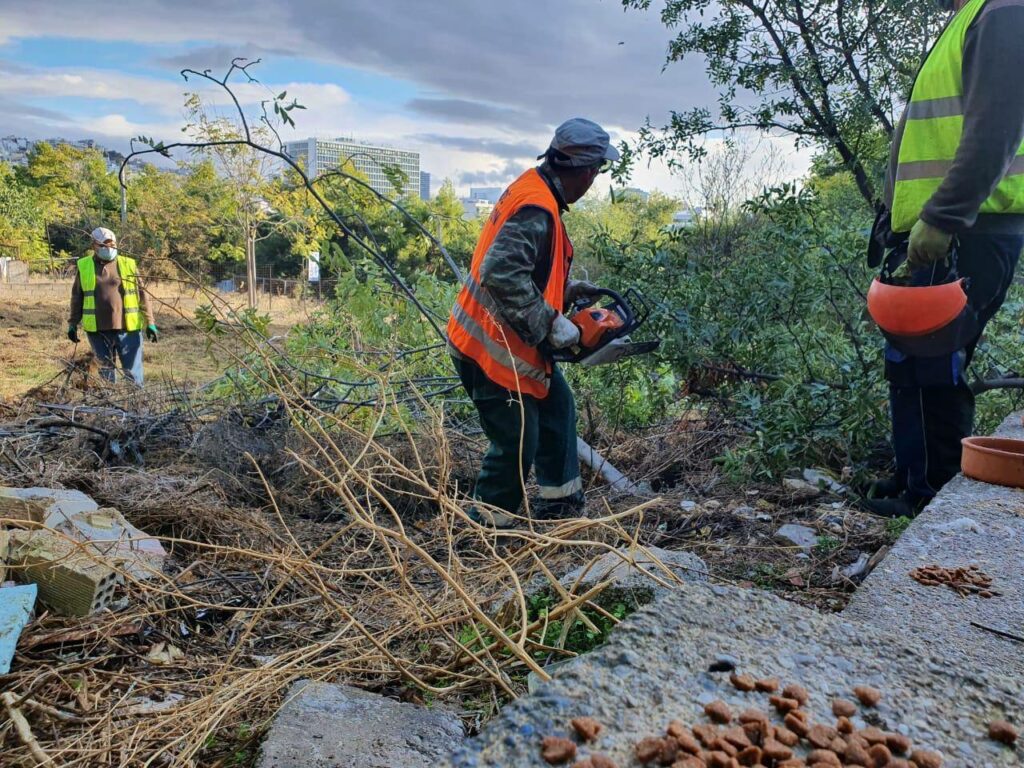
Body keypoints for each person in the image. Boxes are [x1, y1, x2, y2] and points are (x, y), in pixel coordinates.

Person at [864, 0, 1024, 517]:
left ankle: (930, 494)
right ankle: (912, 474)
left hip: (966, 231)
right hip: (937, 231)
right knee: (910, 361)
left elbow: (996, 125)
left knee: (937, 365)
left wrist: (944, 216)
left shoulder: (1003, 11)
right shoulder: (973, 15)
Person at [447, 118, 619, 527]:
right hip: (490, 348)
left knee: (558, 408)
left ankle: (561, 508)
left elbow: (525, 268)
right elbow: (501, 274)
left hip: (503, 339)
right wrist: (555, 325)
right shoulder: (536, 208)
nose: (594, 179)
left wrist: (567, 289)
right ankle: (485, 530)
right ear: (586, 171)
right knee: (515, 443)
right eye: (596, 172)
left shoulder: (534, 187)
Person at [67, 227, 159, 386]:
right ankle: (109, 406)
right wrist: (72, 324)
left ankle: (135, 407)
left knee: (133, 373)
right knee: (105, 373)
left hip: (127, 329)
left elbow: (142, 294)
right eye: (103, 245)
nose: (108, 248)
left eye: (112, 245)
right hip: (98, 330)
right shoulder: (84, 266)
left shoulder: (128, 264)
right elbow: (77, 297)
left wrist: (150, 321)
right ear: (94, 246)